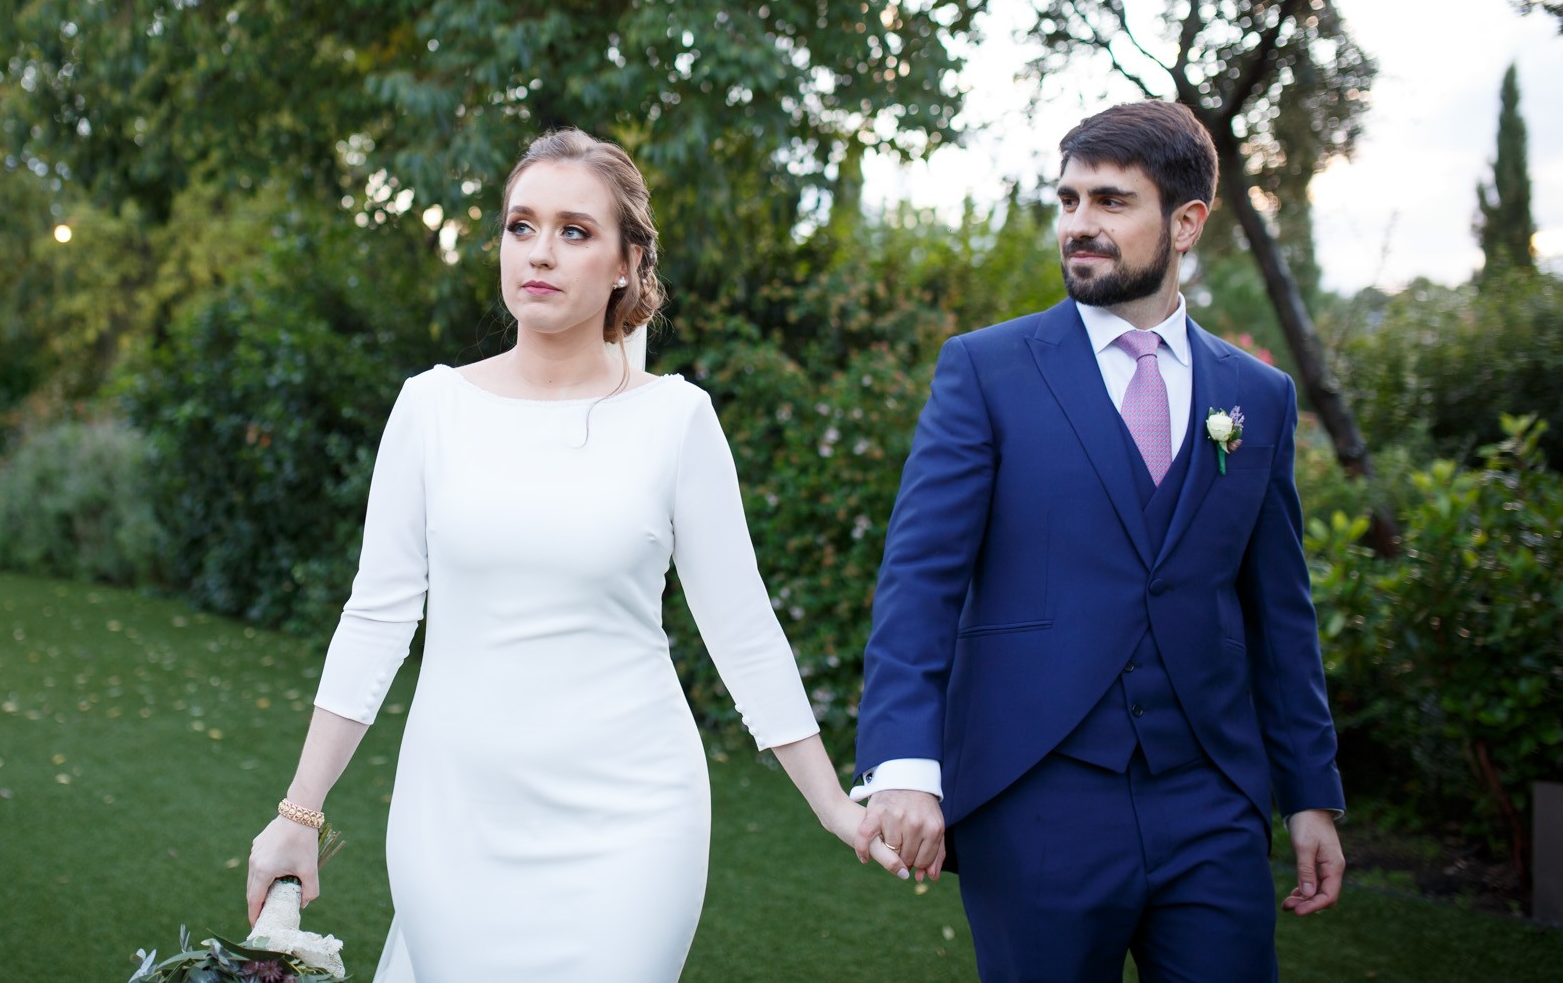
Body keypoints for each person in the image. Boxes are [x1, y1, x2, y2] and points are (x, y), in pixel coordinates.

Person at [245, 128, 889, 981]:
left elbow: (743, 629)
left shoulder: (678, 420)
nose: (539, 252)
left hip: (633, 814)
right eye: (521, 226)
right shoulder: (430, 408)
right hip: (456, 815)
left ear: (628, 261)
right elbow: (377, 616)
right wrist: (301, 809)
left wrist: (834, 804)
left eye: (575, 231)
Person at [851, 101, 1346, 980]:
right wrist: (902, 764)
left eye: (1112, 202)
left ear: (1186, 221)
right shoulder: (987, 370)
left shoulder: (1257, 397)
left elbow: (1280, 613)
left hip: (1211, 801)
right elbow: (919, 582)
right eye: (1069, 199)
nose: (1080, 224)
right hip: (1036, 794)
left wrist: (1309, 793)